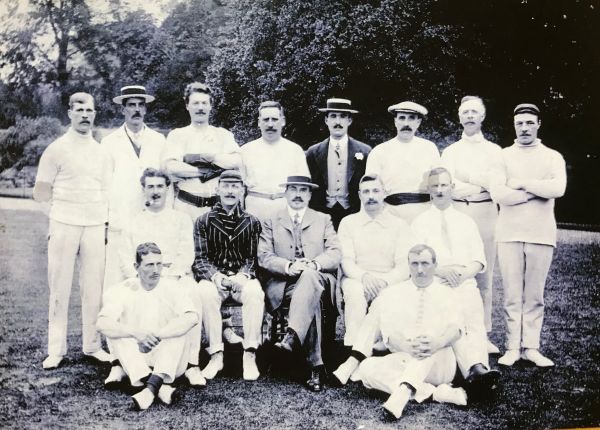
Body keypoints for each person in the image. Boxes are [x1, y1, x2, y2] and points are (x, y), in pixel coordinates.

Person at [333, 245, 467, 420]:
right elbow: (390, 334)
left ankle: (403, 394)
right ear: (409, 265)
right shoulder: (395, 293)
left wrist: (438, 342)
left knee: (426, 342)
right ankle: (435, 393)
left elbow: (456, 329)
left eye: (425, 263)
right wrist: (406, 346)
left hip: (439, 360)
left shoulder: (448, 293)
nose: (420, 270)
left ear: (435, 265)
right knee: (366, 369)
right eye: (415, 264)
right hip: (406, 357)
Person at [33, 92, 112, 369]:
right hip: (64, 224)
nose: (85, 115)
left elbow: (105, 191)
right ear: (69, 113)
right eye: (79, 110)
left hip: (93, 225)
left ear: (94, 114)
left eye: (89, 110)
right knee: (60, 288)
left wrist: (103, 223)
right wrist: (56, 220)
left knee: (93, 288)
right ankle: (56, 349)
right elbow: (41, 192)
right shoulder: (56, 148)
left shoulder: (101, 152)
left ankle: (92, 345)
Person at [411, 167, 500, 396]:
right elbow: (414, 259)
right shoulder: (420, 222)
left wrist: (462, 274)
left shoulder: (466, 221)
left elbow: (479, 260)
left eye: (444, 185)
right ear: (429, 189)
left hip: (464, 279)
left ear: (452, 188)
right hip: (435, 282)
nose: (440, 190)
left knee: (473, 317)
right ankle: (474, 371)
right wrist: (440, 270)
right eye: (435, 186)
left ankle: (479, 367)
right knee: (454, 318)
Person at [490, 103, 566, 367]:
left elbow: (558, 188)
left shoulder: (552, 156)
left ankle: (531, 347)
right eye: (520, 123)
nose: (524, 128)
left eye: (529, 123)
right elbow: (499, 194)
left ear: (538, 124)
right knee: (512, 294)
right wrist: (537, 190)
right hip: (509, 233)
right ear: (514, 125)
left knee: (534, 294)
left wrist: (521, 184)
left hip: (541, 233)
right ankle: (512, 347)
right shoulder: (502, 156)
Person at [117, 168, 206, 386]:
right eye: (150, 187)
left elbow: (186, 253)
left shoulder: (181, 219)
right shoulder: (133, 221)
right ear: (143, 190)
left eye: (159, 186)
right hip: (143, 276)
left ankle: (192, 365)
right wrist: (140, 278)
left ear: (168, 190)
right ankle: (124, 363)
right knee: (121, 297)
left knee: (193, 294)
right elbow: (126, 256)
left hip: (174, 275)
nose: (155, 191)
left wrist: (169, 277)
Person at [258, 175, 341, 392]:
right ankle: (316, 367)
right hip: (284, 284)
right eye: (292, 189)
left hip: (319, 279)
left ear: (310, 195)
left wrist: (314, 264)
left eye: (303, 190)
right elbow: (264, 256)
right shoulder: (271, 219)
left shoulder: (323, 219)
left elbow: (334, 253)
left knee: (310, 278)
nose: (297, 194)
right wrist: (288, 266)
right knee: (308, 297)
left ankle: (293, 337)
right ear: (285, 193)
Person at [96, 243, 199, 411]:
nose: (156, 270)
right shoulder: (122, 289)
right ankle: (159, 387)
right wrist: (136, 334)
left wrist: (159, 335)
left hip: (168, 357)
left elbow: (192, 317)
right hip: (136, 357)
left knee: (177, 330)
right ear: (136, 267)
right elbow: (102, 323)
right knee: (118, 332)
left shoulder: (173, 288)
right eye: (150, 265)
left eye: (160, 264)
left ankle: (148, 390)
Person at [441, 95, 503, 353]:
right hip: (457, 213)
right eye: (465, 111)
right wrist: (479, 185)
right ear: (459, 116)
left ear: (482, 116)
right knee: (456, 271)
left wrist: (471, 184)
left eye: (474, 112)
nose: (469, 116)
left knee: (483, 275)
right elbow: (448, 184)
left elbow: (497, 185)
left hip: (487, 213)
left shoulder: (495, 151)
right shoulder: (451, 151)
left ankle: (483, 333)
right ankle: (455, 330)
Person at [192, 170, 264, 381]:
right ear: (218, 189)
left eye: (235, 187)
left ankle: (249, 354)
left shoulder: (252, 222)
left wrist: (242, 277)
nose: (230, 191)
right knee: (204, 292)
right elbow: (200, 259)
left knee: (255, 293)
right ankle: (216, 354)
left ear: (242, 191)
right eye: (226, 186)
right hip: (216, 280)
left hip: (242, 279)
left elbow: (253, 258)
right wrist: (217, 277)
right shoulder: (203, 221)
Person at [101, 85, 167, 290]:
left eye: (140, 105)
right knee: (116, 277)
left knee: (150, 273)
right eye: (131, 105)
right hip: (119, 218)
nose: (136, 110)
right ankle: (112, 321)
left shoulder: (158, 140)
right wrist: (105, 219)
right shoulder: (109, 142)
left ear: (146, 109)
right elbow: (103, 184)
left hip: (150, 217)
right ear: (123, 109)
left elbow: (165, 181)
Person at [338, 174, 415, 348]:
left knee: (387, 298)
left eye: (375, 191)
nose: (371, 196)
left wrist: (384, 281)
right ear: (359, 195)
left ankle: (382, 345)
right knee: (355, 294)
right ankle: (353, 348)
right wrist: (364, 277)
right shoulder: (348, 223)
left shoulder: (399, 225)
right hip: (357, 278)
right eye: (366, 192)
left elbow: (404, 265)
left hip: (389, 279)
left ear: (384, 193)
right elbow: (347, 261)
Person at [163, 82, 242, 220]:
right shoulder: (177, 135)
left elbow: (236, 161)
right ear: (187, 106)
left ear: (210, 106)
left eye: (204, 103)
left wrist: (205, 158)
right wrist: (208, 171)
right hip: (186, 208)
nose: (200, 108)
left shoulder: (223, 135)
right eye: (195, 103)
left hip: (219, 208)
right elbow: (172, 167)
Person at [366, 101, 440, 222]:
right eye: (401, 118)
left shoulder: (429, 148)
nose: (406, 123)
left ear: (418, 122)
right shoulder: (379, 151)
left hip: (425, 213)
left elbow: (439, 184)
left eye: (411, 118)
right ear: (395, 121)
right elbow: (369, 188)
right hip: (390, 213)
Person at [305, 98, 372, 229]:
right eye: (333, 116)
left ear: (349, 121)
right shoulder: (313, 152)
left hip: (353, 212)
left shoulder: (365, 151)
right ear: (326, 120)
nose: (337, 122)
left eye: (342, 116)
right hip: (322, 213)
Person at [241, 101, 310, 220]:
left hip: (285, 209)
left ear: (283, 121)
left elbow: (304, 188)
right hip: (254, 211)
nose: (270, 124)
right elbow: (239, 188)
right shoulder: (245, 150)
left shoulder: (295, 150)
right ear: (259, 122)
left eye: (274, 119)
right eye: (266, 119)